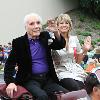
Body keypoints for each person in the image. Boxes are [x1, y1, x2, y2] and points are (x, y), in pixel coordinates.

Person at [4, 13, 68, 100]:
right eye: (32, 24)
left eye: (38, 23)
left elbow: (60, 45)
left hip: (47, 79)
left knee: (66, 95)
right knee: (42, 97)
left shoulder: (44, 36)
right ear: (25, 27)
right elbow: (9, 65)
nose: (36, 26)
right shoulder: (19, 42)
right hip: (29, 80)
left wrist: (56, 31)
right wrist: (10, 82)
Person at [52, 13, 91, 91]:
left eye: (67, 23)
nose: (64, 25)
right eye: (61, 23)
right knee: (74, 87)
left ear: (70, 25)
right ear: (57, 26)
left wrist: (85, 50)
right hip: (61, 71)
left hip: (75, 70)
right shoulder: (52, 40)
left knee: (84, 88)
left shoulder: (74, 39)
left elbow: (78, 61)